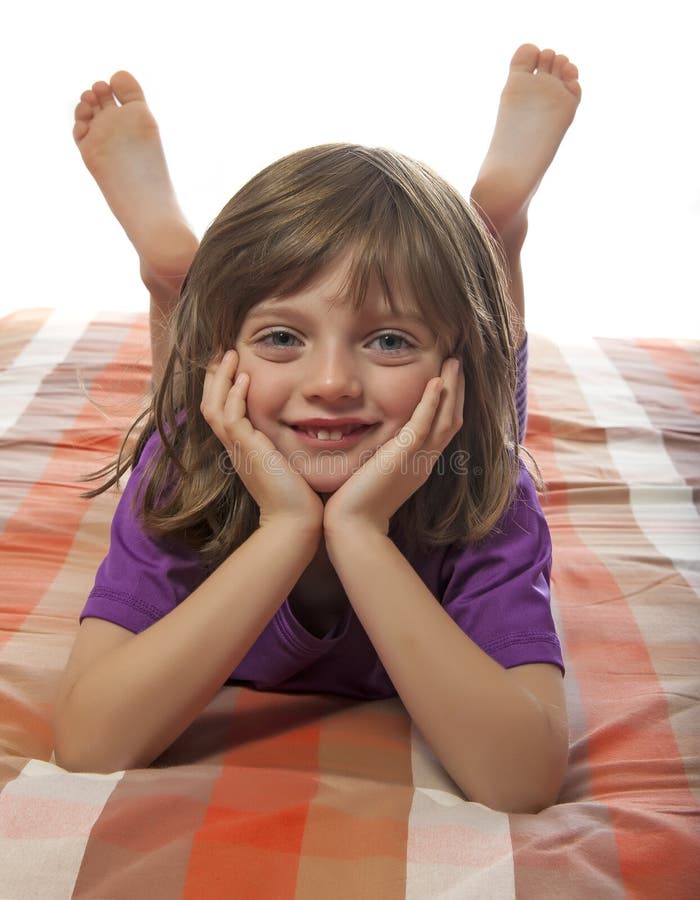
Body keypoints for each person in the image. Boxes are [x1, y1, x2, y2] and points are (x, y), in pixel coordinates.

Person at [54, 44, 581, 814]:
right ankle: (175, 273)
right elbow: (89, 743)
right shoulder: (184, 472)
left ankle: (496, 230)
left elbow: (522, 779)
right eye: (282, 336)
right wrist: (285, 527)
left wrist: (362, 533)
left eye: (389, 339)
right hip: (231, 439)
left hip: (442, 451)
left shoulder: (490, 501)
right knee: (189, 401)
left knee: (490, 417)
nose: (331, 383)